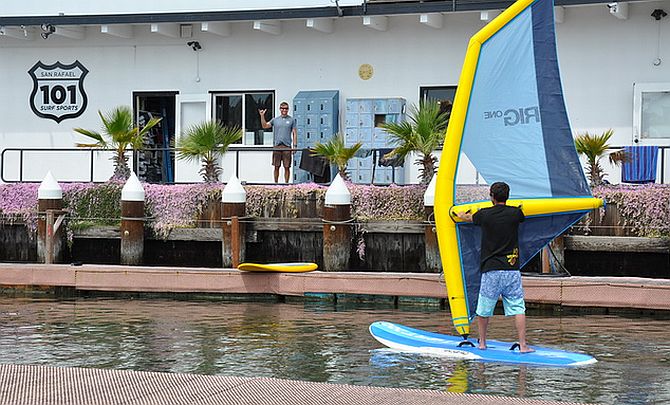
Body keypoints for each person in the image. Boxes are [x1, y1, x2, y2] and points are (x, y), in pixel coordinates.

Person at [455, 181, 534, 353]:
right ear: (508, 196)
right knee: (518, 308)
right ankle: (523, 345)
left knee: (484, 308)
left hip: (491, 270)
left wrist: (460, 214)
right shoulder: (515, 214)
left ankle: (482, 343)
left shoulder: (484, 215)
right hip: (512, 270)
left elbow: (468, 217)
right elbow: (522, 214)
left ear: (491, 196)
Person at [259, 101, 297, 183]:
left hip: (287, 146)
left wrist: (295, 146)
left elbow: (294, 133)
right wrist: (262, 116)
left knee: (287, 167)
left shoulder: (291, 120)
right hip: (277, 146)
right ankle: (276, 183)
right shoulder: (275, 120)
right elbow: (265, 126)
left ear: (288, 109)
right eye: (283, 108)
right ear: (280, 109)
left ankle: (286, 183)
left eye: (286, 108)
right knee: (276, 166)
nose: (284, 110)